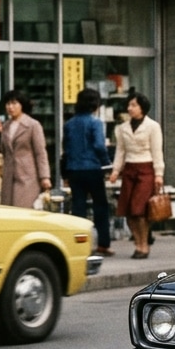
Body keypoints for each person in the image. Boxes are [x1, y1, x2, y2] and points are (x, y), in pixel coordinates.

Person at [110, 93, 165, 259]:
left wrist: (159, 174)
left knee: (139, 210)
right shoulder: (122, 128)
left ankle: (144, 245)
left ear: (142, 107)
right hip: (129, 169)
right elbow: (120, 151)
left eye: (133, 105)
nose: (129, 108)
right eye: (129, 105)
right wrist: (115, 171)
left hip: (146, 169)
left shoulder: (153, 126)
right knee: (128, 210)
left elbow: (157, 151)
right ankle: (137, 243)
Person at [63, 88, 114, 255]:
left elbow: (66, 148)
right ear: (95, 104)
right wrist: (106, 162)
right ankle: (103, 244)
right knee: (100, 206)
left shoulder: (69, 124)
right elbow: (99, 145)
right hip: (92, 168)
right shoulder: (95, 123)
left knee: (79, 207)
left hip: (74, 169)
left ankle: (80, 245)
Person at [0, 90, 52, 208]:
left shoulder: (33, 125)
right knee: (8, 211)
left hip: (27, 176)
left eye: (14, 103)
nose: (10, 107)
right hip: (8, 175)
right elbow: (4, 150)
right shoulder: (6, 126)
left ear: (22, 105)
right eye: (8, 104)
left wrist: (44, 177)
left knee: (23, 210)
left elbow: (40, 153)